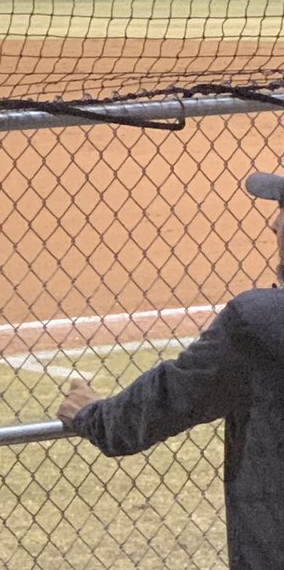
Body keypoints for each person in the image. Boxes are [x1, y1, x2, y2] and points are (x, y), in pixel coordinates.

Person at [59, 171, 284, 570]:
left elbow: (170, 397)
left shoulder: (259, 323)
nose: (273, 222)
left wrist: (93, 416)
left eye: (282, 209)